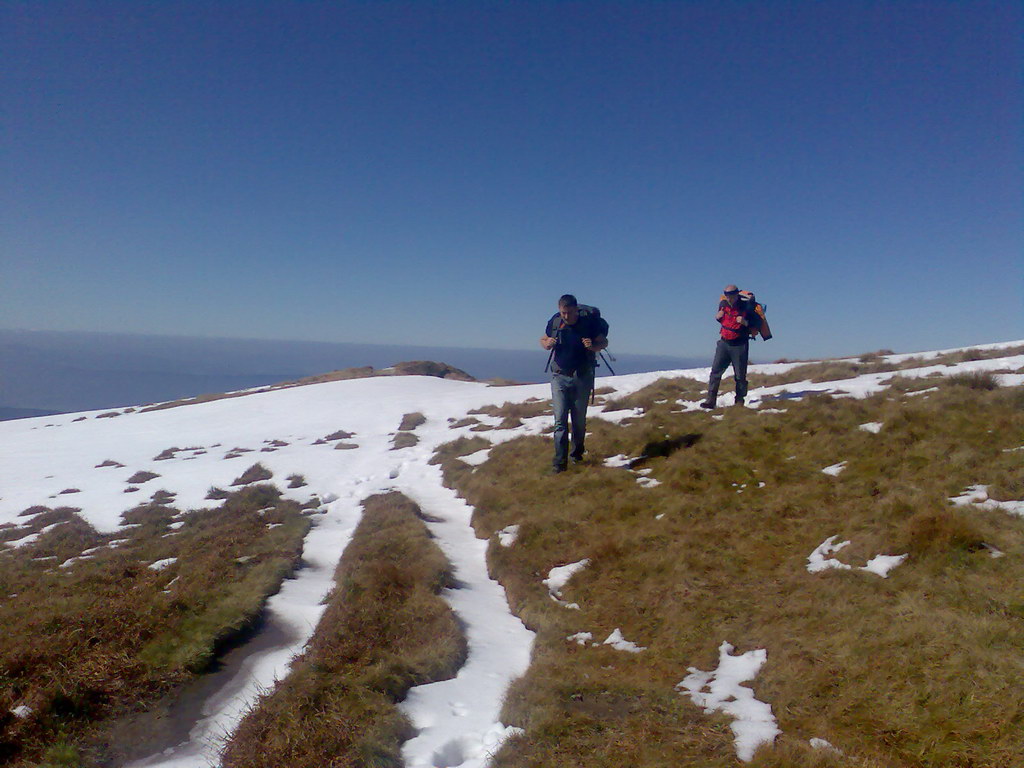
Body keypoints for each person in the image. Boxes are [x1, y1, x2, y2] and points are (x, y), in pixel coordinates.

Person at [540, 295, 609, 473]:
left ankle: (576, 455)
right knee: (560, 421)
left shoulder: (588, 323)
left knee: (578, 420)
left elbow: (603, 342)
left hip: (582, 376)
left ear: (576, 309)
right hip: (559, 376)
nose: (566, 316)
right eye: (563, 312)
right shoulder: (555, 322)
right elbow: (543, 339)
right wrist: (547, 344)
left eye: (569, 313)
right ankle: (559, 463)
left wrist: (593, 346)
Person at [700, 284, 759, 409]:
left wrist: (745, 322)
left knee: (739, 376)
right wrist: (717, 317)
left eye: (731, 295)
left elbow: (755, 328)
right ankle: (710, 401)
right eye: (727, 295)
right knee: (715, 373)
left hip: (740, 344)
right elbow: (723, 320)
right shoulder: (723, 305)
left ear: (736, 294)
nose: (729, 298)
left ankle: (739, 401)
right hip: (724, 343)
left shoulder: (747, 308)